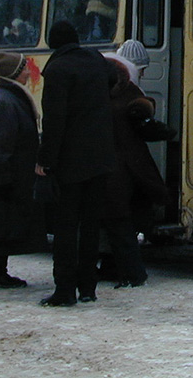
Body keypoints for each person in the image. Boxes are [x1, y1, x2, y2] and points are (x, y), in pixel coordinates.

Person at [35, 20, 118, 307]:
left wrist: (45, 161)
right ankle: (88, 287)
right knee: (91, 225)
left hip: (71, 162)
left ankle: (65, 289)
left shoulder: (57, 70)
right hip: (101, 158)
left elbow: (54, 121)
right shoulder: (95, 60)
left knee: (66, 226)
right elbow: (115, 77)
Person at [102, 42, 170, 289]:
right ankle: (129, 271)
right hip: (124, 170)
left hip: (111, 170)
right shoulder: (130, 95)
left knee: (116, 222)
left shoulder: (107, 93)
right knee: (121, 222)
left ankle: (126, 271)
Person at [0, 51, 43, 289]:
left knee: (3, 222)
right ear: (16, 73)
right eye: (25, 68)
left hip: (11, 175)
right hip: (7, 176)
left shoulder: (9, 98)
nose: (29, 71)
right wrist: (5, 180)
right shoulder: (7, 102)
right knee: (2, 222)